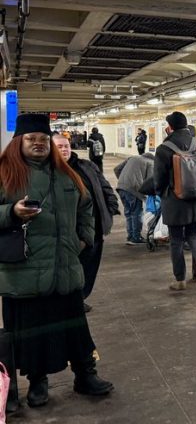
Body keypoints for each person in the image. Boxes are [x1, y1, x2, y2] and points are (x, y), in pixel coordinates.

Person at [0, 114, 113, 409]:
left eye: (43, 139)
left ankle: (85, 375)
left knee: (75, 326)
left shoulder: (65, 173)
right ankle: (38, 382)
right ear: (18, 142)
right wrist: (11, 212)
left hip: (64, 266)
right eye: (31, 139)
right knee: (34, 330)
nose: (38, 144)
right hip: (24, 270)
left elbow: (86, 204)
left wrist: (84, 238)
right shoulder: (5, 173)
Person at [52, 134, 120, 312]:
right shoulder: (50, 172)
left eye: (66, 146)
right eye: (58, 147)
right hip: (71, 232)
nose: (64, 149)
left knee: (90, 268)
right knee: (70, 269)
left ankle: (80, 298)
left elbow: (104, 186)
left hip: (96, 229)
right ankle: (70, 302)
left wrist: (110, 207)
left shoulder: (87, 166)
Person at [154, 111, 196, 290]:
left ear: (169, 128)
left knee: (176, 240)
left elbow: (159, 179)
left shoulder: (164, 148)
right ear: (187, 125)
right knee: (194, 234)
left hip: (175, 201)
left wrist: (160, 193)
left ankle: (180, 280)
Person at [115, 150, 156, 245]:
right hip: (134, 189)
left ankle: (130, 236)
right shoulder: (151, 163)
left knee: (128, 212)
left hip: (121, 187)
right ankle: (136, 237)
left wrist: (124, 181)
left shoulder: (133, 158)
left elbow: (116, 169)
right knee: (137, 213)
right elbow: (150, 181)